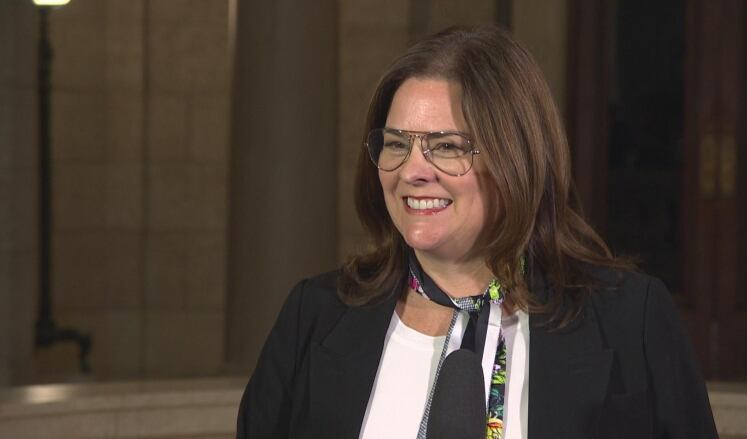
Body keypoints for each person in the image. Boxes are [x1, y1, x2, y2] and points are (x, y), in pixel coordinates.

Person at [237, 25, 718, 439]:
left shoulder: (631, 323)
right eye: (396, 144)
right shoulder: (314, 317)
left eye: (447, 146)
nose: (412, 171)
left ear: (517, 159)